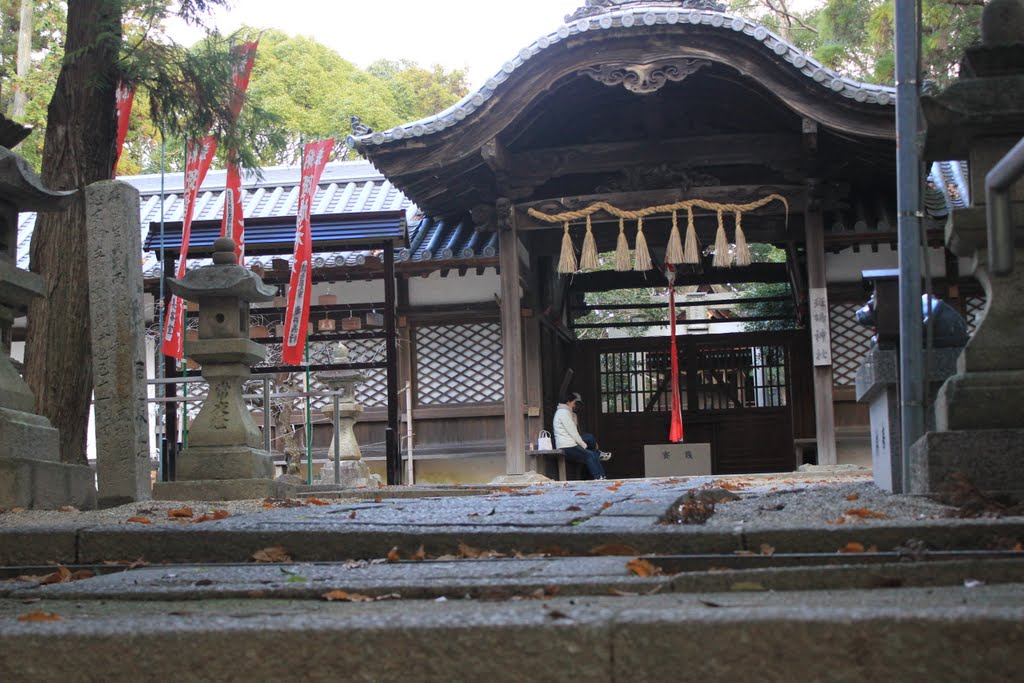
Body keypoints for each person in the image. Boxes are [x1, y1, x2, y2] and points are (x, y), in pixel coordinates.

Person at [552, 392, 611, 480]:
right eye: (574, 403)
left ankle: (602, 476)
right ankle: (598, 477)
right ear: (568, 402)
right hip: (567, 445)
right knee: (590, 454)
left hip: (570, 442)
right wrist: (584, 446)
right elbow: (573, 433)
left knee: (590, 444)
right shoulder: (563, 413)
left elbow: (576, 433)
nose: (575, 405)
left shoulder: (567, 412)